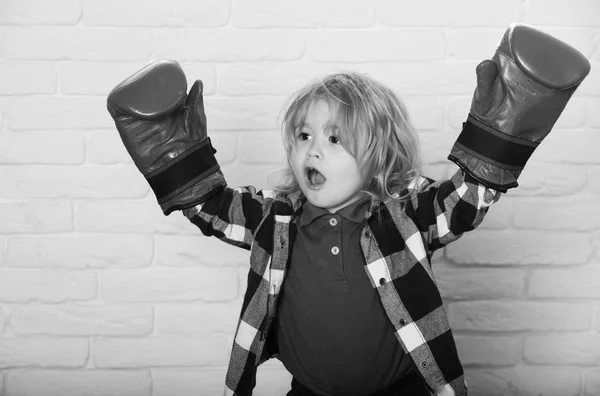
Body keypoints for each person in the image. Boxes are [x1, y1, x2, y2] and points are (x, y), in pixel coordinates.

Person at [107, 24, 590, 396]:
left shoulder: (406, 216)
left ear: (380, 154)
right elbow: (211, 208)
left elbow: (466, 198)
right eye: (303, 136)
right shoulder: (274, 220)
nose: (312, 150)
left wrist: (498, 135)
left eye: (335, 138)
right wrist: (175, 158)